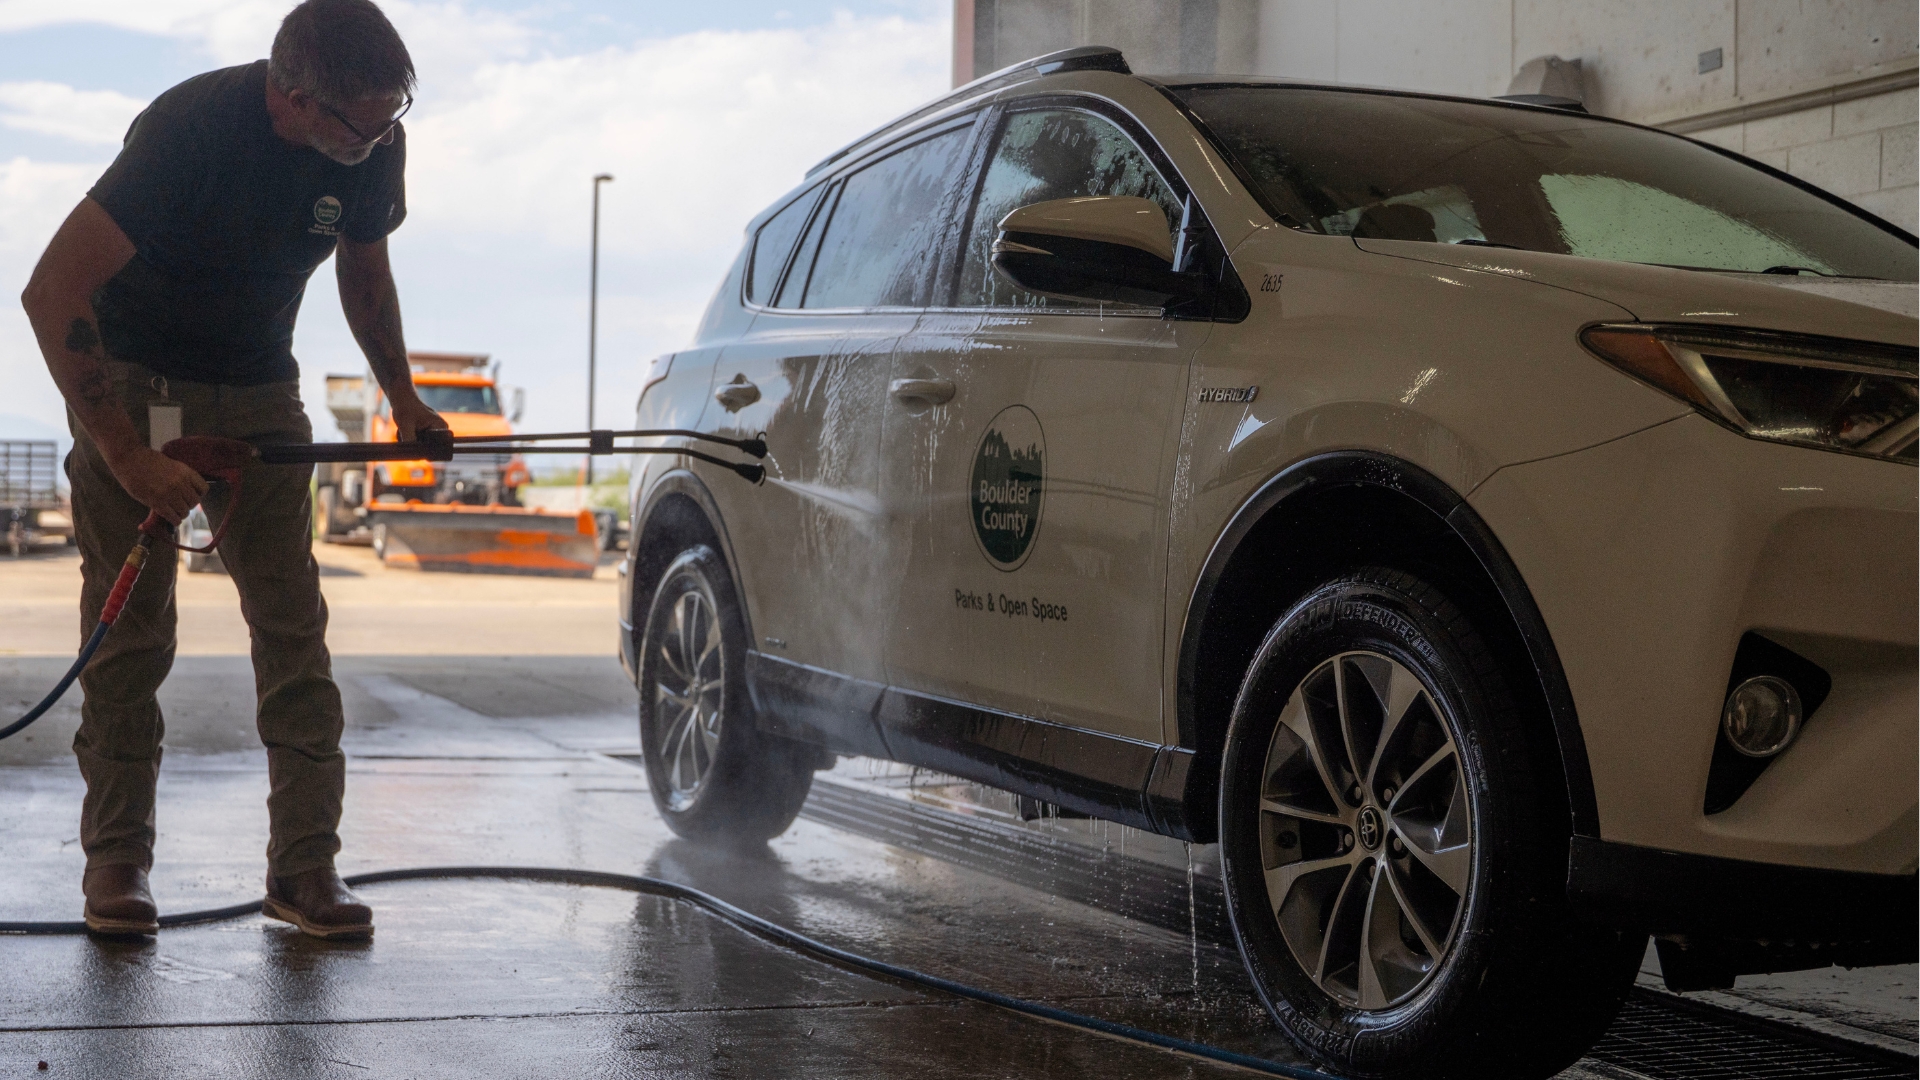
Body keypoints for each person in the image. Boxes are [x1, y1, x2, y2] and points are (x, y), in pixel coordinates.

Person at [18, 0, 444, 939]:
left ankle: (306, 871)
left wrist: (403, 400)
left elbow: (363, 272)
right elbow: (52, 290)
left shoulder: (371, 140)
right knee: (130, 636)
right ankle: (117, 866)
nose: (376, 143)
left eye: (390, 121)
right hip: (136, 382)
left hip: (259, 385)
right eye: (357, 125)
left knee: (295, 634)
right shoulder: (188, 132)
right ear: (291, 98)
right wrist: (125, 453)